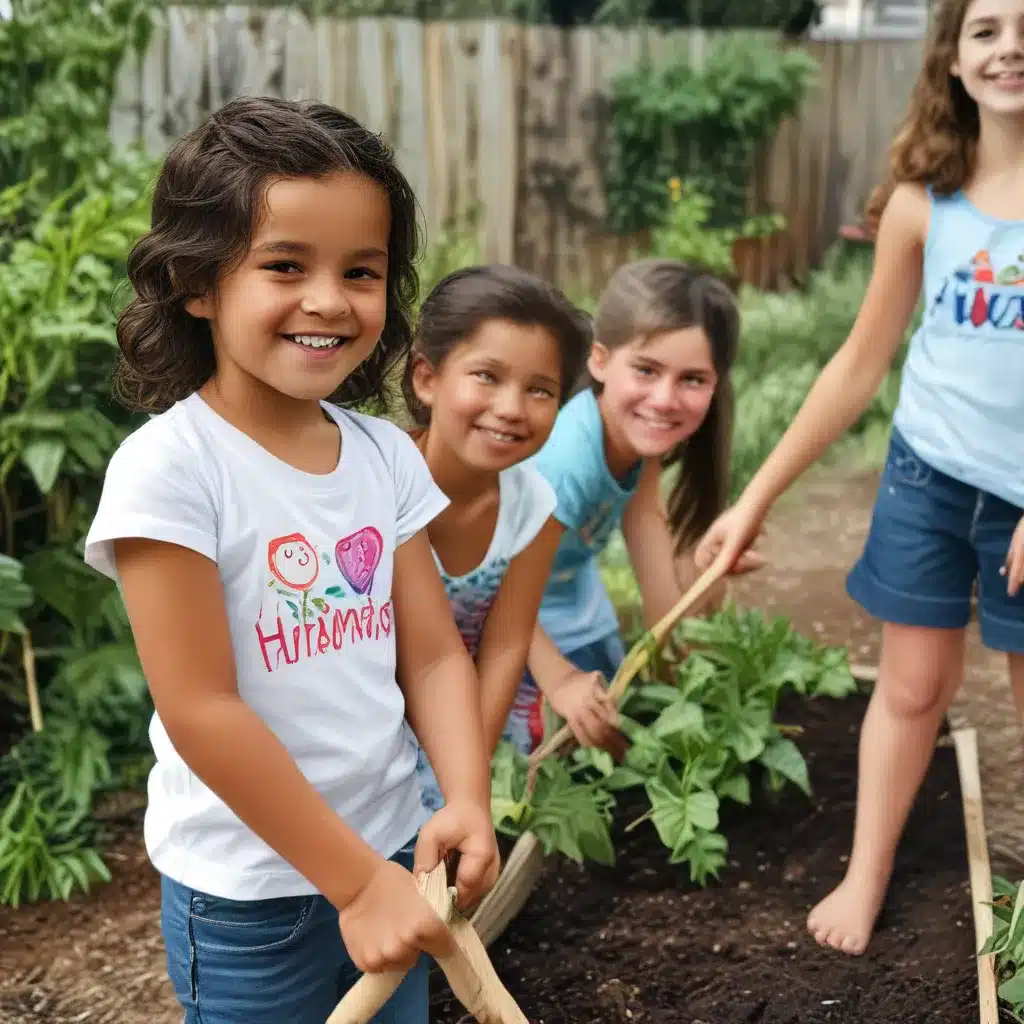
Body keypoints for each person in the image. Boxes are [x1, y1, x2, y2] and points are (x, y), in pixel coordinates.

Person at [82, 96, 499, 1024]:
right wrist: (353, 886)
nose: (327, 299)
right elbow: (201, 708)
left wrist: (465, 795)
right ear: (198, 283)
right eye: (284, 265)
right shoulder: (171, 470)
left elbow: (430, 654)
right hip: (251, 897)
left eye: (361, 270)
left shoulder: (385, 455)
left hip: (396, 850)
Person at [695, 0, 1024, 957]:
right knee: (914, 688)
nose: (1012, 47)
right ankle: (868, 872)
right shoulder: (926, 203)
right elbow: (857, 365)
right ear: (953, 61)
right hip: (928, 480)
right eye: (988, 29)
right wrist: (753, 498)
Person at [513, 258, 760, 756]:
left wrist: (680, 681)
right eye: (646, 370)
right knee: (539, 764)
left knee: (614, 726)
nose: (664, 399)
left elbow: (652, 558)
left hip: (567, 598)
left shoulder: (638, 444)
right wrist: (560, 683)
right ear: (600, 360)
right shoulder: (567, 459)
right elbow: (500, 588)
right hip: (497, 614)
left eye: (692, 379)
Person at [402, 264, 591, 808]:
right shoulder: (379, 485)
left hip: (469, 723)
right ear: (427, 378)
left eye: (540, 389)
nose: (511, 408)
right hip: (370, 729)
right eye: (487, 376)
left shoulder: (532, 504)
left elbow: (507, 643)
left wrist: (465, 785)